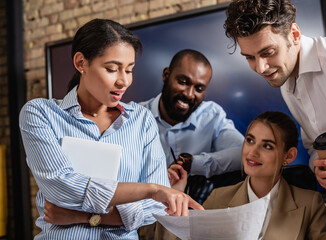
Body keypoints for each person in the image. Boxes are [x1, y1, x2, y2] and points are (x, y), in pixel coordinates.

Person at [19, 19, 202, 239]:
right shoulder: (40, 113)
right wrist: (150, 190)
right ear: (81, 63)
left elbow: (155, 209)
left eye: (130, 70)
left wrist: (84, 217)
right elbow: (61, 187)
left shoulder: (141, 121)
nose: (123, 81)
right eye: (112, 69)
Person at [224, 0, 326, 191]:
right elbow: (314, 145)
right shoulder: (286, 83)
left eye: (268, 52)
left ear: (294, 35)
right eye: (250, 57)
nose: (260, 68)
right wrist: (320, 168)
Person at [163, 111, 326, 240]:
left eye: (267, 146)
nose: (252, 152)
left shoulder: (310, 203)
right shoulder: (219, 198)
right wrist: (176, 194)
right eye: (250, 141)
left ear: (289, 156)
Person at [139, 49, 245, 201]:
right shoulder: (137, 117)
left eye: (199, 89)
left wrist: (191, 163)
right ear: (166, 75)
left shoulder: (212, 116)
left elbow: (243, 153)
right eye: (183, 82)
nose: (189, 94)